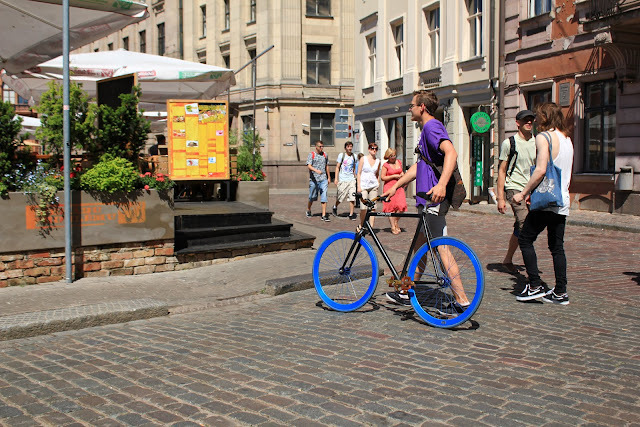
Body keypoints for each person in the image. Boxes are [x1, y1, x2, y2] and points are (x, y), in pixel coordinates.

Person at [382, 89, 470, 311]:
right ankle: (405, 291)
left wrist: (441, 185)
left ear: (422, 107)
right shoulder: (426, 130)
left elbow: (451, 153)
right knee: (420, 246)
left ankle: (461, 300)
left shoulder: (431, 127)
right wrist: (397, 186)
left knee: (441, 248)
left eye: (412, 105)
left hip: (433, 199)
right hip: (426, 199)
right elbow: (419, 166)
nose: (409, 109)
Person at [513, 102, 573, 305]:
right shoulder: (567, 139)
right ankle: (561, 291)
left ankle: (535, 285)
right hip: (562, 199)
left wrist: (523, 193)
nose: (536, 120)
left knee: (525, 239)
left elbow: (540, 170)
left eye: (538, 116)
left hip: (546, 201)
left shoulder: (543, 137)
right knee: (557, 247)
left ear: (545, 117)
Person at [496, 109, 537, 272]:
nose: (529, 122)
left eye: (531, 120)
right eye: (525, 120)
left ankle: (507, 260)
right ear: (518, 123)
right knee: (524, 223)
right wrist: (500, 198)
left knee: (521, 226)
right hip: (514, 187)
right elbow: (502, 170)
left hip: (532, 189)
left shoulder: (538, 142)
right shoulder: (509, 143)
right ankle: (531, 266)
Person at [381, 148, 407, 234]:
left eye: (394, 155)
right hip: (389, 187)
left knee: (402, 206)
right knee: (391, 208)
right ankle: (393, 226)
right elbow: (382, 177)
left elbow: (401, 172)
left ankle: (396, 221)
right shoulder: (385, 165)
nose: (393, 157)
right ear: (388, 156)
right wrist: (394, 176)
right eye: (391, 156)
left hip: (399, 186)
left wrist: (404, 177)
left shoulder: (398, 162)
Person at [356, 142, 381, 230]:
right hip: (363, 185)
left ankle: (371, 227)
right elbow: (358, 173)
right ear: (369, 149)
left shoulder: (378, 161)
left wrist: (378, 182)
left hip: (373, 186)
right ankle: (362, 225)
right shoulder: (363, 159)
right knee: (363, 208)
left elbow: (377, 173)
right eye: (372, 148)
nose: (374, 150)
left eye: (376, 149)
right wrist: (358, 186)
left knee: (373, 207)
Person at [332, 141, 358, 220]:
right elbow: (337, 167)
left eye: (351, 146)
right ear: (345, 148)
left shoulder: (354, 156)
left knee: (352, 197)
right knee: (340, 197)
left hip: (351, 179)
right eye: (348, 146)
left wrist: (355, 176)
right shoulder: (341, 155)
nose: (350, 148)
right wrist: (336, 178)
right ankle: (335, 206)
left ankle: (351, 214)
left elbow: (354, 167)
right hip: (343, 179)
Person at [306, 140, 331, 222]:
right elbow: (309, 165)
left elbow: (327, 166)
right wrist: (316, 170)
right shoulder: (311, 154)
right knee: (312, 197)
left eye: (322, 146)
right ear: (316, 147)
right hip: (314, 180)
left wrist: (329, 177)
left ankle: (324, 215)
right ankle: (308, 209)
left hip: (323, 179)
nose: (321, 148)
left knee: (324, 196)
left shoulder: (325, 155)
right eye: (320, 146)